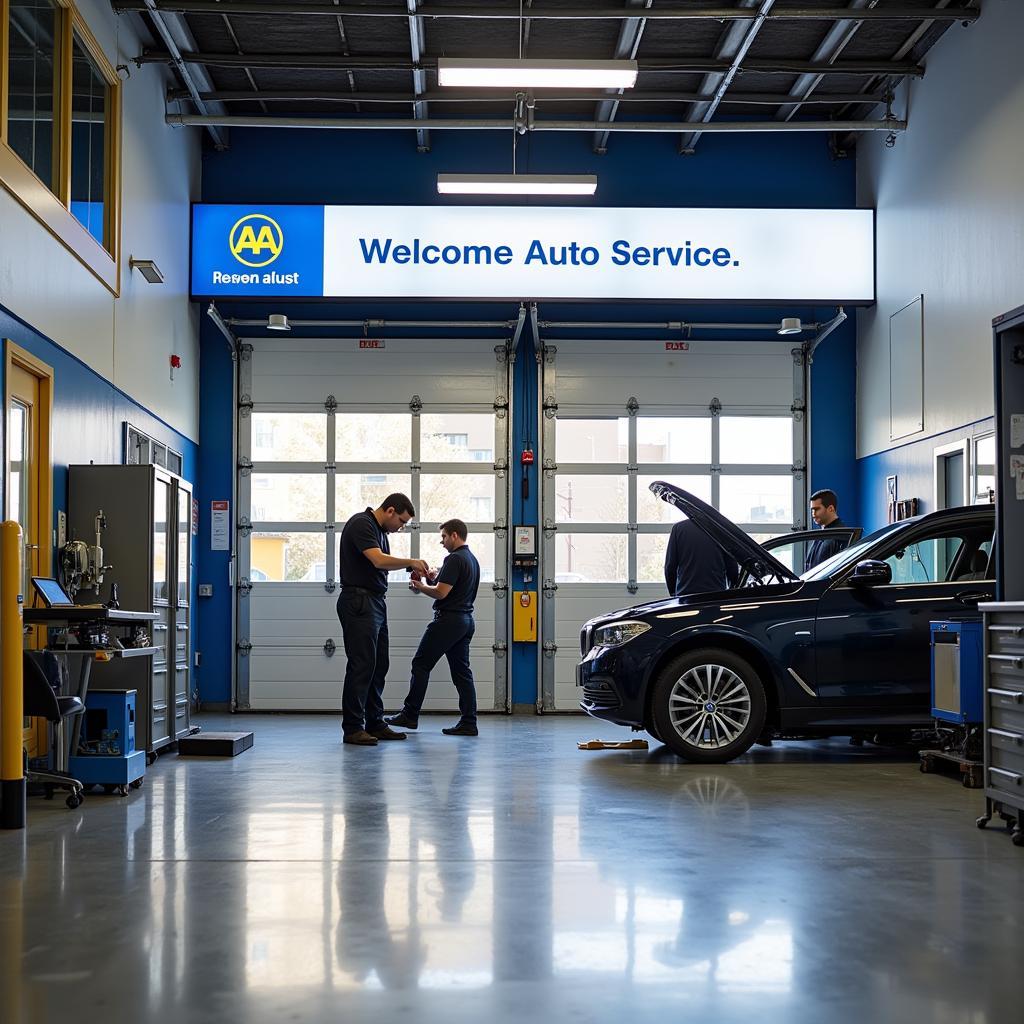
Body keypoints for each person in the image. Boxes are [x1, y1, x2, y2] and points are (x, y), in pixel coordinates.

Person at [337, 493, 430, 746]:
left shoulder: (381, 533)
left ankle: (375, 723)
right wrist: (410, 561)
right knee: (362, 665)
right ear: (389, 510)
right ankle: (353, 728)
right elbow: (378, 560)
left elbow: (382, 562)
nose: (400, 527)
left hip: (375, 602)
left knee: (379, 665)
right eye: (401, 521)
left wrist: (411, 569)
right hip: (359, 601)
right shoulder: (362, 524)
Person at [386, 518, 481, 737]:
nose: (442, 542)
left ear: (455, 535)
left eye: (444, 537)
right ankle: (469, 722)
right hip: (466, 621)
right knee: (462, 673)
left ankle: (410, 715)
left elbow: (441, 593)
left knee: (420, 664)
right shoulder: (472, 560)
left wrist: (420, 585)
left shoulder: (454, 559)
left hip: (448, 621)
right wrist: (431, 580)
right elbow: (445, 586)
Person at [664, 516, 738, 597]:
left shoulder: (678, 529)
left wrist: (673, 593)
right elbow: (732, 567)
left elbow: (670, 567)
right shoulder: (721, 529)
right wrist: (732, 589)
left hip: (685, 595)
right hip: (716, 595)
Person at [804, 488, 846, 571]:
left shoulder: (842, 537)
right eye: (812, 510)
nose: (813, 514)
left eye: (816, 509)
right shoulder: (823, 534)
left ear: (830, 508)